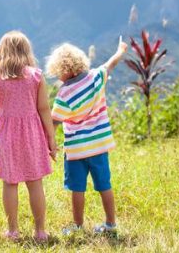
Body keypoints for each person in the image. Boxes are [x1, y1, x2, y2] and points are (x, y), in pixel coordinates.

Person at [0, 31, 57, 241]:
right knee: (35, 183)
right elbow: (43, 109)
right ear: (26, 52)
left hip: (7, 137)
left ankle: (13, 230)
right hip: (32, 135)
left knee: (10, 183)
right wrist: (51, 138)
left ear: (2, 53)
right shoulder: (36, 76)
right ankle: (40, 231)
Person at [45, 36, 127, 235]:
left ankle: (78, 225)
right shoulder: (97, 76)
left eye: (59, 74)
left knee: (77, 188)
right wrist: (120, 51)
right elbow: (111, 63)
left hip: (76, 150)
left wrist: (50, 144)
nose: (59, 78)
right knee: (104, 185)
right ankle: (110, 224)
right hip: (99, 147)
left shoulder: (64, 94)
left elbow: (54, 122)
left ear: (66, 70)